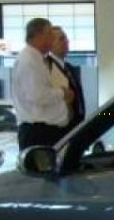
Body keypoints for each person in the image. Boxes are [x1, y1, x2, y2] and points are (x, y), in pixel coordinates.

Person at [12, 17, 75, 149]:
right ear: (39, 35)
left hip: (47, 131)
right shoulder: (29, 61)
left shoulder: (37, 59)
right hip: (39, 133)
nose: (52, 38)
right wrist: (62, 93)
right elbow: (37, 95)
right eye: (50, 34)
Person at [46, 25, 85, 135]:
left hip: (74, 126)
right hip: (59, 130)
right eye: (61, 39)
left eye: (66, 38)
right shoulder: (47, 67)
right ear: (50, 44)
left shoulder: (70, 68)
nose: (66, 42)